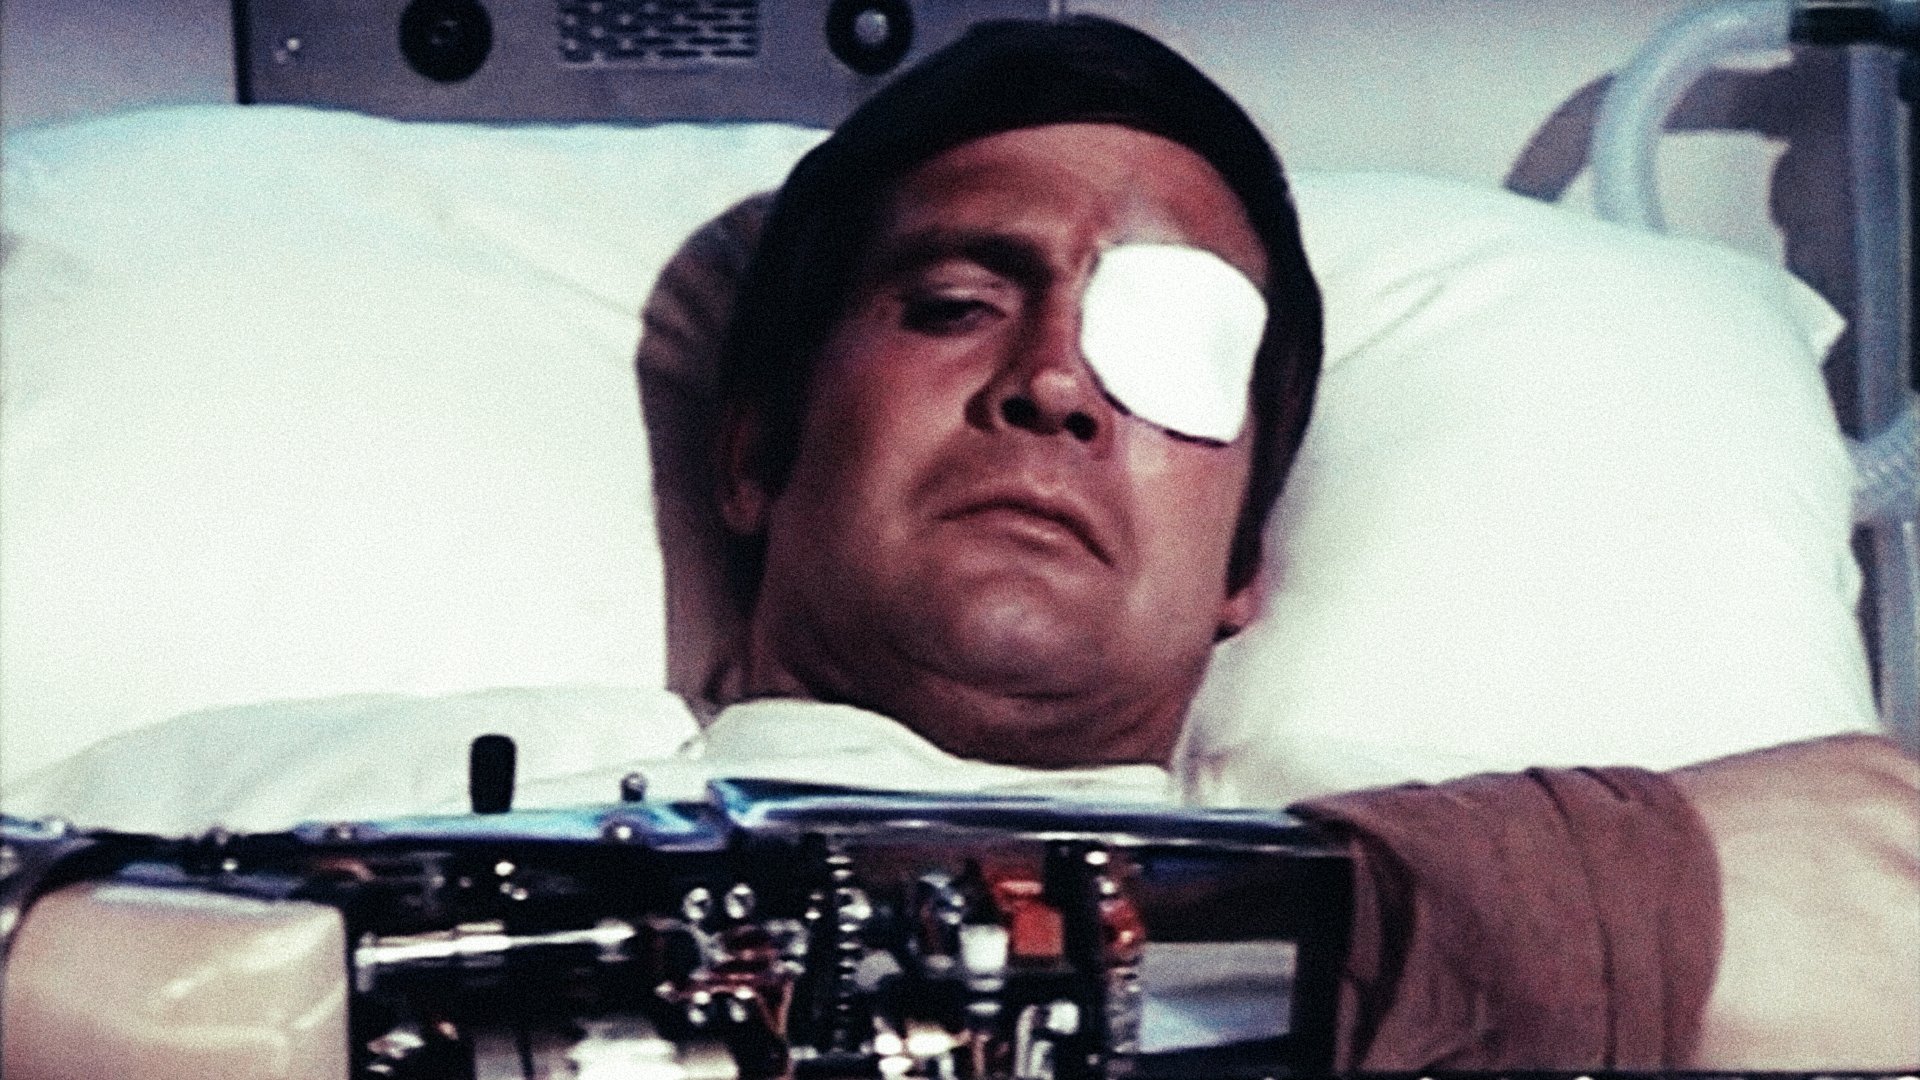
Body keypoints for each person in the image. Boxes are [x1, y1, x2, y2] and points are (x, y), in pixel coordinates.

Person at [696, 15, 1919, 1072]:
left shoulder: (1444, 847)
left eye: (1167, 350)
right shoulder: (583, 782)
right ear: (754, 455)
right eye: (955, 306)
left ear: (1241, 565)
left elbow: (1879, 900)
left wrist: (1518, 904)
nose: (1057, 381)